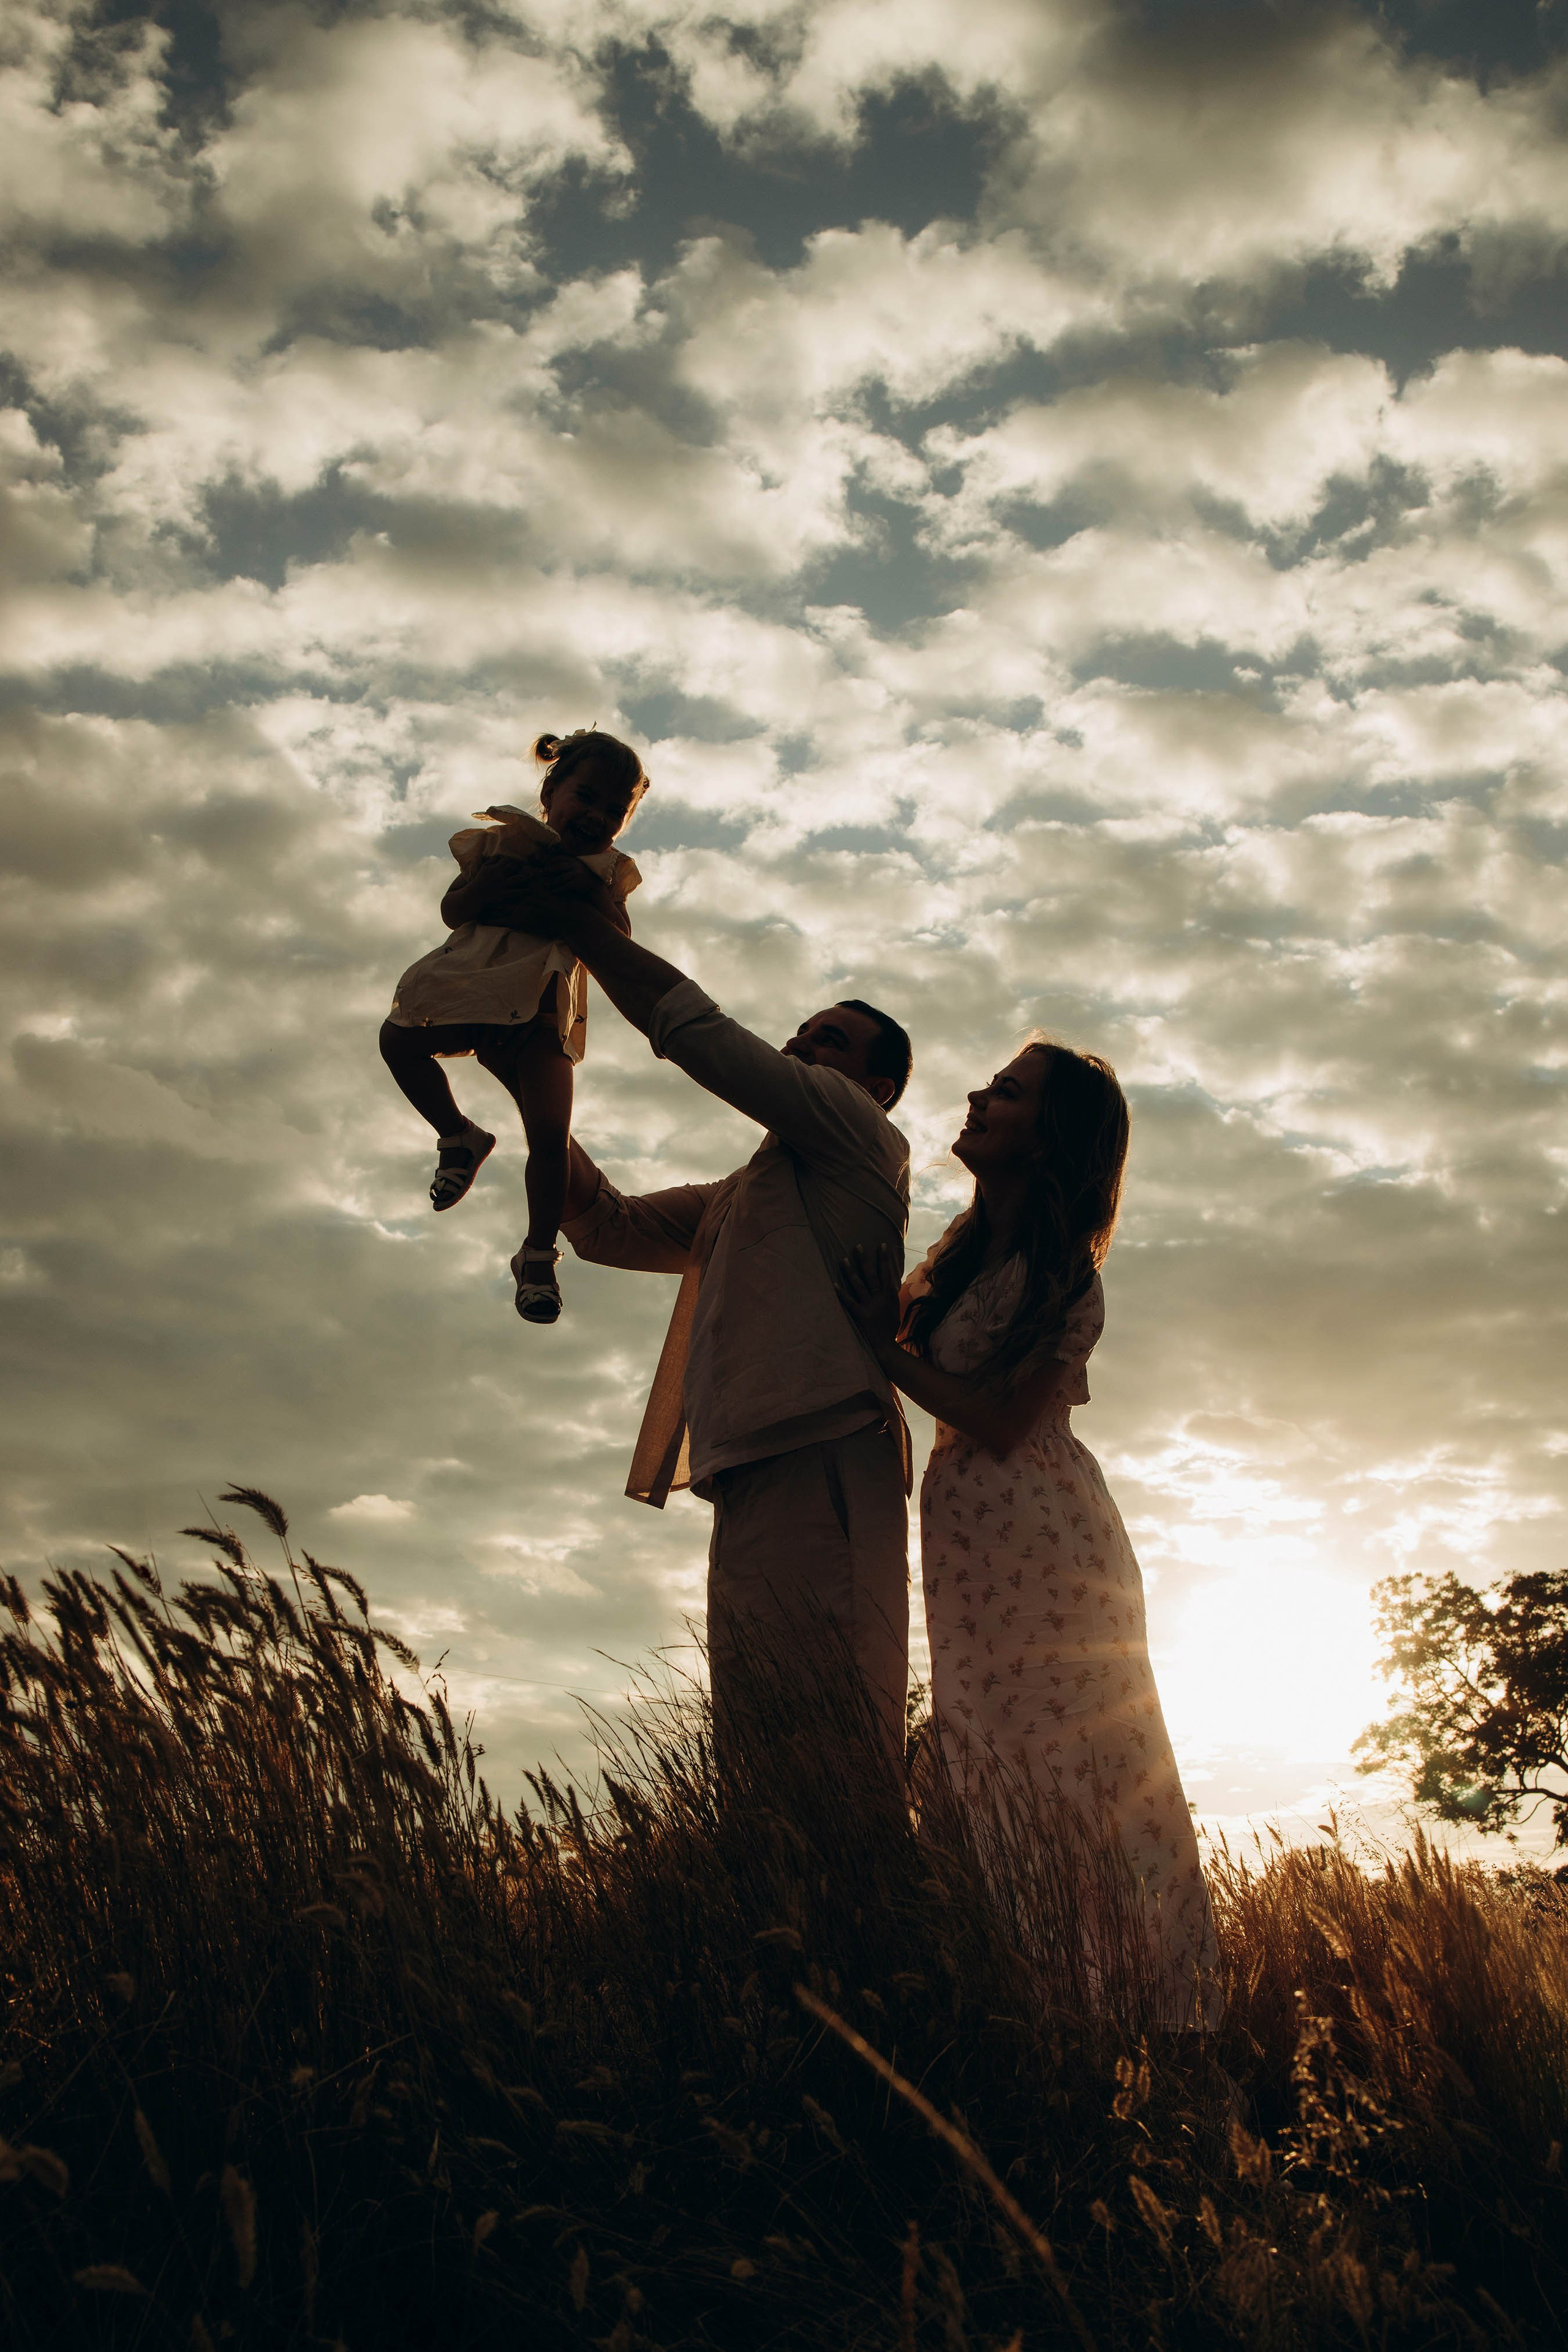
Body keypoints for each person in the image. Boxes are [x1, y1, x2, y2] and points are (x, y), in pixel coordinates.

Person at [453, 840, 916, 1757]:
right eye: (802, 1031)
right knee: (762, 1753)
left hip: (824, 1451)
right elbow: (606, 1227)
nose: (801, 1045)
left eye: (830, 1040)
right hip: (745, 1466)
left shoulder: (858, 1135)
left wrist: (583, 928)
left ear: (878, 1087)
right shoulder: (744, 1195)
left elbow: (701, 1037)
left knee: (834, 1748)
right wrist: (525, 1080)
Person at [837, 1041, 1218, 2026]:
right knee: (983, 1764)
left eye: (1007, 1092)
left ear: (1051, 1140)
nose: (978, 1095)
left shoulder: (1066, 1278)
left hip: (1044, 1539)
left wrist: (878, 1346)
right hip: (968, 1540)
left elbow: (1002, 1423)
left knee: (1068, 1768)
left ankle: (1139, 2020)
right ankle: (1034, 2008)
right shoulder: (960, 1259)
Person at [378, 729, 646, 1324]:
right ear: (551, 791)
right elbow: (453, 910)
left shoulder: (603, 872)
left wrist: (589, 897)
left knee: (550, 1135)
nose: (597, 816)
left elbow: (619, 941)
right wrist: (489, 884)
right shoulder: (503, 844)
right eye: (586, 796)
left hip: (541, 1017)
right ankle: (458, 1136)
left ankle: (537, 1255)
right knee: (397, 1040)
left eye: (615, 809)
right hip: (473, 992)